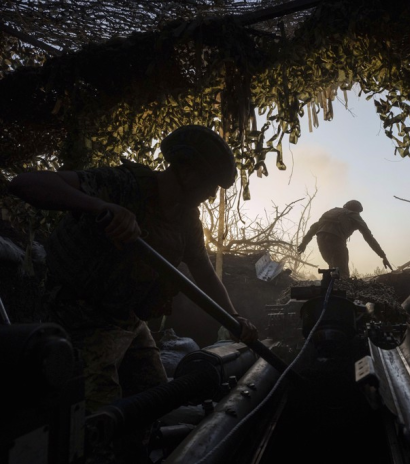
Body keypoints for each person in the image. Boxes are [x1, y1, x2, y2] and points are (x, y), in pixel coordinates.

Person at [8, 124, 258, 416]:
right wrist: (100, 206)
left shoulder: (186, 218)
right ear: (187, 171)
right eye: (209, 185)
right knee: (102, 420)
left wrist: (234, 318)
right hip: (78, 317)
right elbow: (24, 183)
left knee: (154, 402)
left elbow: (203, 271)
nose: (211, 195)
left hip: (128, 321)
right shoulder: (123, 185)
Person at [297, 200, 392, 278]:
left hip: (321, 240)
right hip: (336, 240)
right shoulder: (354, 215)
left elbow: (314, 228)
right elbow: (368, 237)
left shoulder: (331, 212)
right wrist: (382, 255)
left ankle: (328, 294)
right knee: (342, 273)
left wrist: (304, 243)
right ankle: (342, 297)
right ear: (357, 210)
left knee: (333, 269)